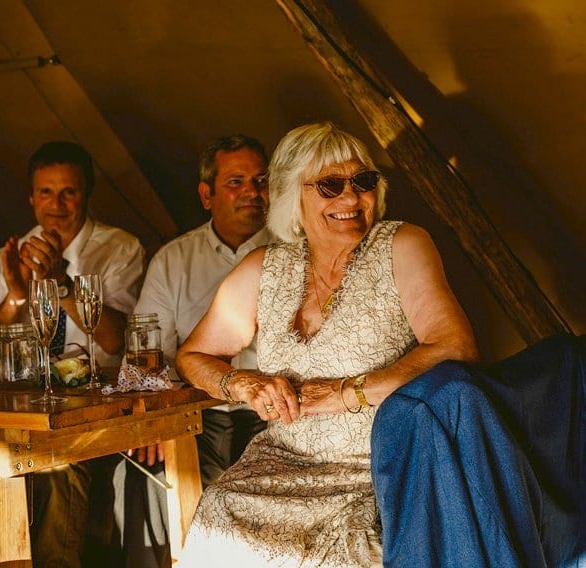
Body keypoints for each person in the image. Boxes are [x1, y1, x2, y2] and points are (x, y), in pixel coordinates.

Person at [174, 122, 479, 566]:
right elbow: (193, 356)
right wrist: (243, 383)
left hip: (377, 468)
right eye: (330, 186)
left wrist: (346, 393)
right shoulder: (265, 267)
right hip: (281, 461)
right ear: (290, 196)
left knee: (345, 548)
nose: (351, 199)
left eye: (363, 181)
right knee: (219, 512)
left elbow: (455, 346)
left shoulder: (402, 246)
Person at [0, 140, 145, 566]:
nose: (56, 204)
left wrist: (60, 281)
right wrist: (16, 296)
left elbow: (115, 340)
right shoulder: (16, 250)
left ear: (87, 194)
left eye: (68, 192)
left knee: (58, 469)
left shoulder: (120, 247)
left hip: (93, 404)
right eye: (46, 192)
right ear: (32, 198)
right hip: (26, 405)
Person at [116, 134, 271, 566]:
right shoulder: (174, 261)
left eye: (261, 181)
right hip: (195, 416)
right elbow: (145, 355)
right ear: (207, 195)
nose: (252, 192)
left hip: (272, 417)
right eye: (235, 182)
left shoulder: (295, 251)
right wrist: (157, 422)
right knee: (144, 472)